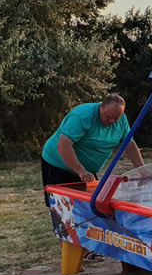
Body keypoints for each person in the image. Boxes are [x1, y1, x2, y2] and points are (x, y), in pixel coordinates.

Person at [41, 94, 145, 263]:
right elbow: (64, 144)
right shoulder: (83, 116)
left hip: (87, 170)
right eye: (108, 117)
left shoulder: (120, 119)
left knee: (93, 207)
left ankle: (89, 248)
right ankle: (72, 258)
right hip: (58, 163)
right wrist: (80, 171)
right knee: (64, 210)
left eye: (115, 118)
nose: (112, 121)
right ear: (101, 107)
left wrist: (142, 171)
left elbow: (129, 144)